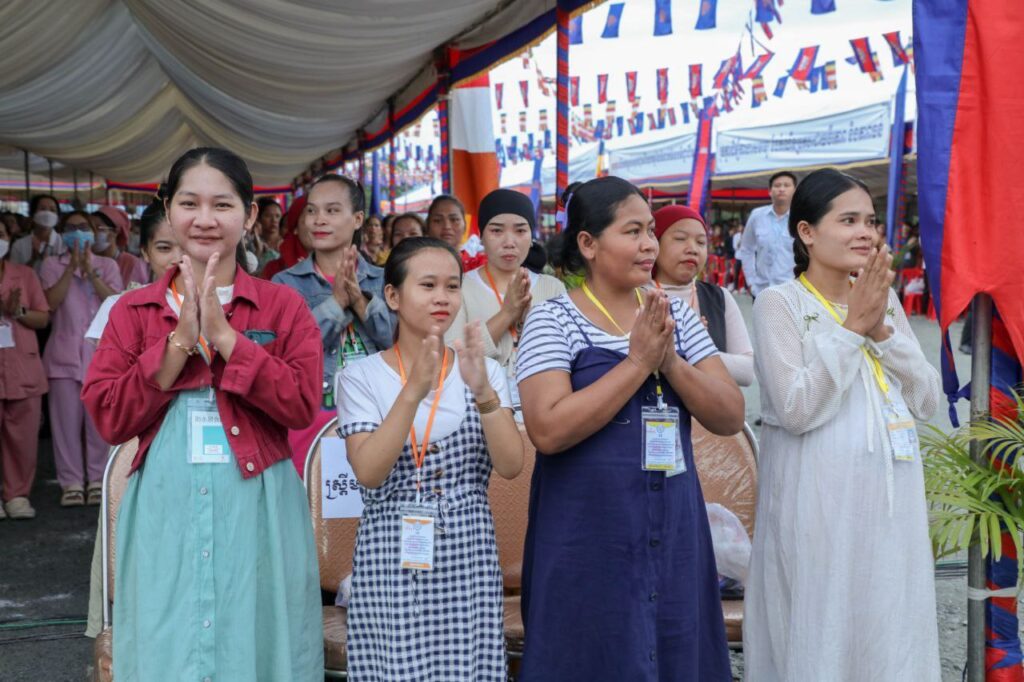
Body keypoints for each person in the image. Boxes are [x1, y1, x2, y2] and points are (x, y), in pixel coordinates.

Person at [82, 147, 324, 681]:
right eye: (190, 203)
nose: (205, 219)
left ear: (250, 215)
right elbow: (110, 417)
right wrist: (178, 344)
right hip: (164, 503)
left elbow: (302, 404)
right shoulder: (132, 310)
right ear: (168, 211)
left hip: (258, 504)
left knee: (257, 637)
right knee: (168, 639)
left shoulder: (282, 306)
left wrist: (228, 339)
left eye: (223, 204)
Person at [515, 176, 744, 681]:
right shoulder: (552, 320)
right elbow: (547, 429)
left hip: (674, 525)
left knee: (674, 647)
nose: (649, 245)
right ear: (588, 243)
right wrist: (638, 363)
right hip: (586, 533)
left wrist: (672, 363)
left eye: (650, 232)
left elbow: (730, 414)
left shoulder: (673, 315)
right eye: (632, 231)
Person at [743, 169, 941, 681]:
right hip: (817, 504)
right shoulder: (779, 304)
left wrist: (882, 332)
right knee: (820, 623)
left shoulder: (882, 300)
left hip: (890, 504)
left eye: (870, 222)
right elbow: (795, 408)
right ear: (807, 232)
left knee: (889, 620)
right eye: (848, 220)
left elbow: (926, 399)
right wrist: (853, 328)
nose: (865, 233)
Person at [338, 236, 523, 680]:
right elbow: (369, 472)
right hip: (390, 553)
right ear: (392, 295)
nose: (443, 297)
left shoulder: (484, 369)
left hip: (469, 550)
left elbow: (511, 465)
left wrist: (484, 393)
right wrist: (414, 390)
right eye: (428, 285)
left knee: (468, 666)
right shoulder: (360, 376)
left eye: (452, 286)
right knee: (395, 665)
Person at [273, 174, 394, 472]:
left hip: (377, 414)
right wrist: (336, 303)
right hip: (311, 417)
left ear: (357, 219)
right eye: (311, 210)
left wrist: (359, 301)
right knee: (312, 497)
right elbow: (291, 350)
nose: (319, 220)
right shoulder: (285, 284)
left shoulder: (383, 279)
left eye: (332, 210)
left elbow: (397, 341)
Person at [445, 189, 566, 408]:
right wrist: (508, 313)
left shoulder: (552, 287)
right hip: (479, 409)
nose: (509, 242)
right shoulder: (459, 287)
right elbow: (453, 358)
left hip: (542, 406)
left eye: (520, 230)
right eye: (496, 231)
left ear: (531, 236)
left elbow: (563, 356)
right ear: (481, 236)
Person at [39, 211, 123, 507]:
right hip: (62, 356)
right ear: (63, 233)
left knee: (98, 423)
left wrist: (90, 271)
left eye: (83, 227)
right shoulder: (51, 264)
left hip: (101, 354)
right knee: (65, 425)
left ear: (93, 231)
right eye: (71, 228)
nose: (78, 232)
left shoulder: (108, 265)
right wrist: (71, 269)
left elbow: (116, 303)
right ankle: (71, 481)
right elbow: (49, 303)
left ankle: (98, 479)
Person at [651, 205, 754, 386]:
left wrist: (693, 347)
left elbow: (747, 372)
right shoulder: (637, 295)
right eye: (680, 239)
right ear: (654, 244)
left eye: (701, 242)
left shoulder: (719, 297)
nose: (693, 249)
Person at [0, 218, 50, 520]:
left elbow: (42, 318)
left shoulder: (25, 275)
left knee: (22, 436)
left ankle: (17, 494)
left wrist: (17, 311)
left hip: (22, 366)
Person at [85, 198, 182, 343]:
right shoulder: (118, 305)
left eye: (187, 247)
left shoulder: (216, 302)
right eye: (164, 248)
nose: (178, 258)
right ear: (145, 253)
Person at [737, 170, 797, 298]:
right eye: (777, 185)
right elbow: (746, 248)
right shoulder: (757, 216)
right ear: (770, 191)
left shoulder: (800, 219)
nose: (781, 189)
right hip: (761, 290)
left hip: (791, 291)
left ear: (795, 190)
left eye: (786, 185)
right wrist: (751, 282)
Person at [91, 206, 150, 287]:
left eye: (98, 228)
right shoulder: (86, 261)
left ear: (115, 231)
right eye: (90, 228)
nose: (93, 233)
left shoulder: (131, 264)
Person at [427, 194, 486, 271]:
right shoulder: (417, 264)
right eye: (437, 220)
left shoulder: (480, 265)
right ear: (427, 226)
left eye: (454, 220)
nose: (447, 226)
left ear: (465, 225)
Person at [260, 196, 309, 280]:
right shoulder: (275, 270)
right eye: (310, 213)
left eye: (277, 216)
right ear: (295, 228)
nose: (274, 220)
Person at [12, 194, 64, 270]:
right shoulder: (19, 245)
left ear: (58, 217)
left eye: (52, 210)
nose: (47, 213)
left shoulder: (64, 243)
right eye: (42, 209)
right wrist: (33, 260)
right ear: (32, 215)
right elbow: (13, 273)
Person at [254, 198, 283, 274]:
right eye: (268, 216)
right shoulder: (254, 243)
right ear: (259, 218)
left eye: (277, 216)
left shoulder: (286, 243)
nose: (274, 220)